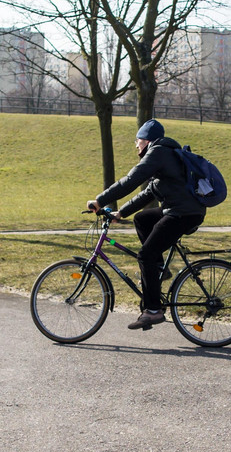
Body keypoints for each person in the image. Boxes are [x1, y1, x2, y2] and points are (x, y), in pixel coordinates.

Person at [87, 119, 206, 329]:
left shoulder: (158, 152)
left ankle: (153, 310)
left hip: (182, 214)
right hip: (181, 210)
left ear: (147, 140)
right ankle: (159, 269)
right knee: (142, 218)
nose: (136, 145)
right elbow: (149, 192)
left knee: (145, 255)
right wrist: (121, 213)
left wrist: (100, 200)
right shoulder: (166, 155)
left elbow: (131, 180)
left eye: (137, 140)